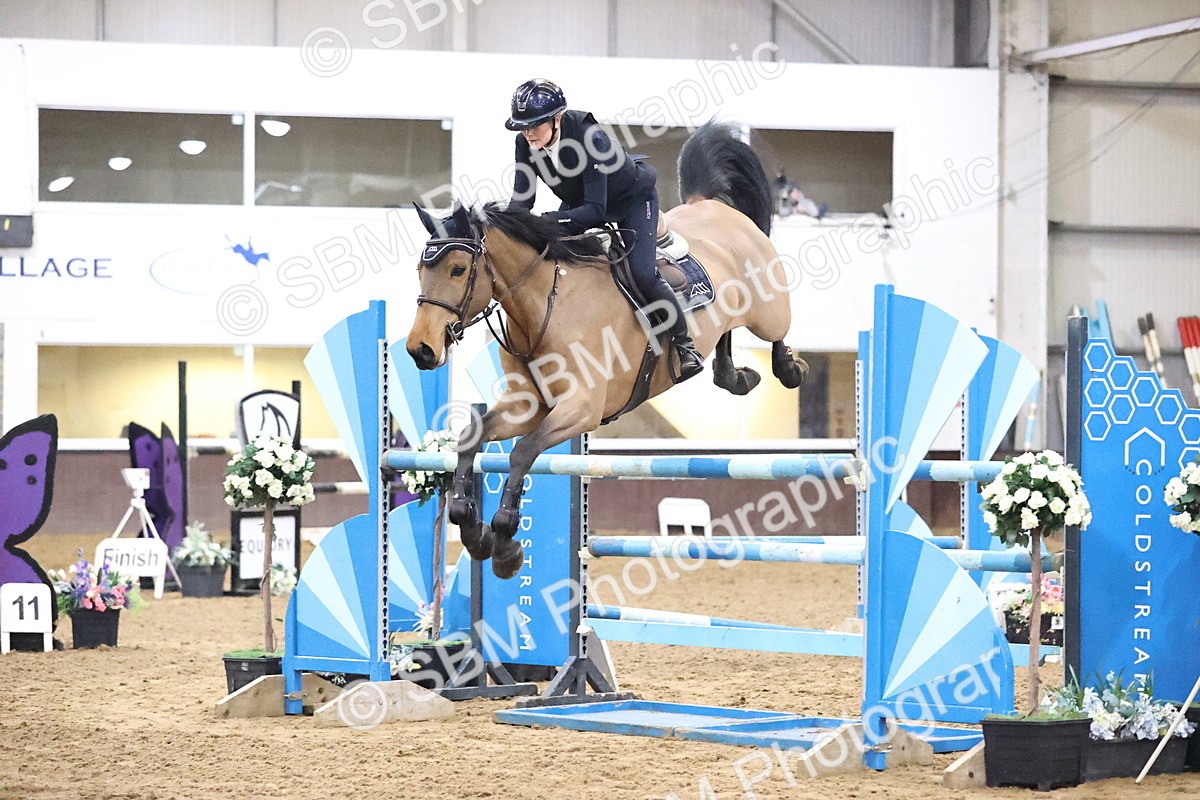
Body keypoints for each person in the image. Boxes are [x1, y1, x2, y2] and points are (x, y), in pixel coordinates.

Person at [505, 78, 703, 383]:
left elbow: (596, 212)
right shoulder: (525, 143)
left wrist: (547, 221)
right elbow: (522, 200)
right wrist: (500, 227)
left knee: (642, 274)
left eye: (534, 125)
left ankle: (685, 345)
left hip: (630, 201)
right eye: (522, 127)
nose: (528, 132)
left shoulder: (589, 137)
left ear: (557, 119)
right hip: (583, 202)